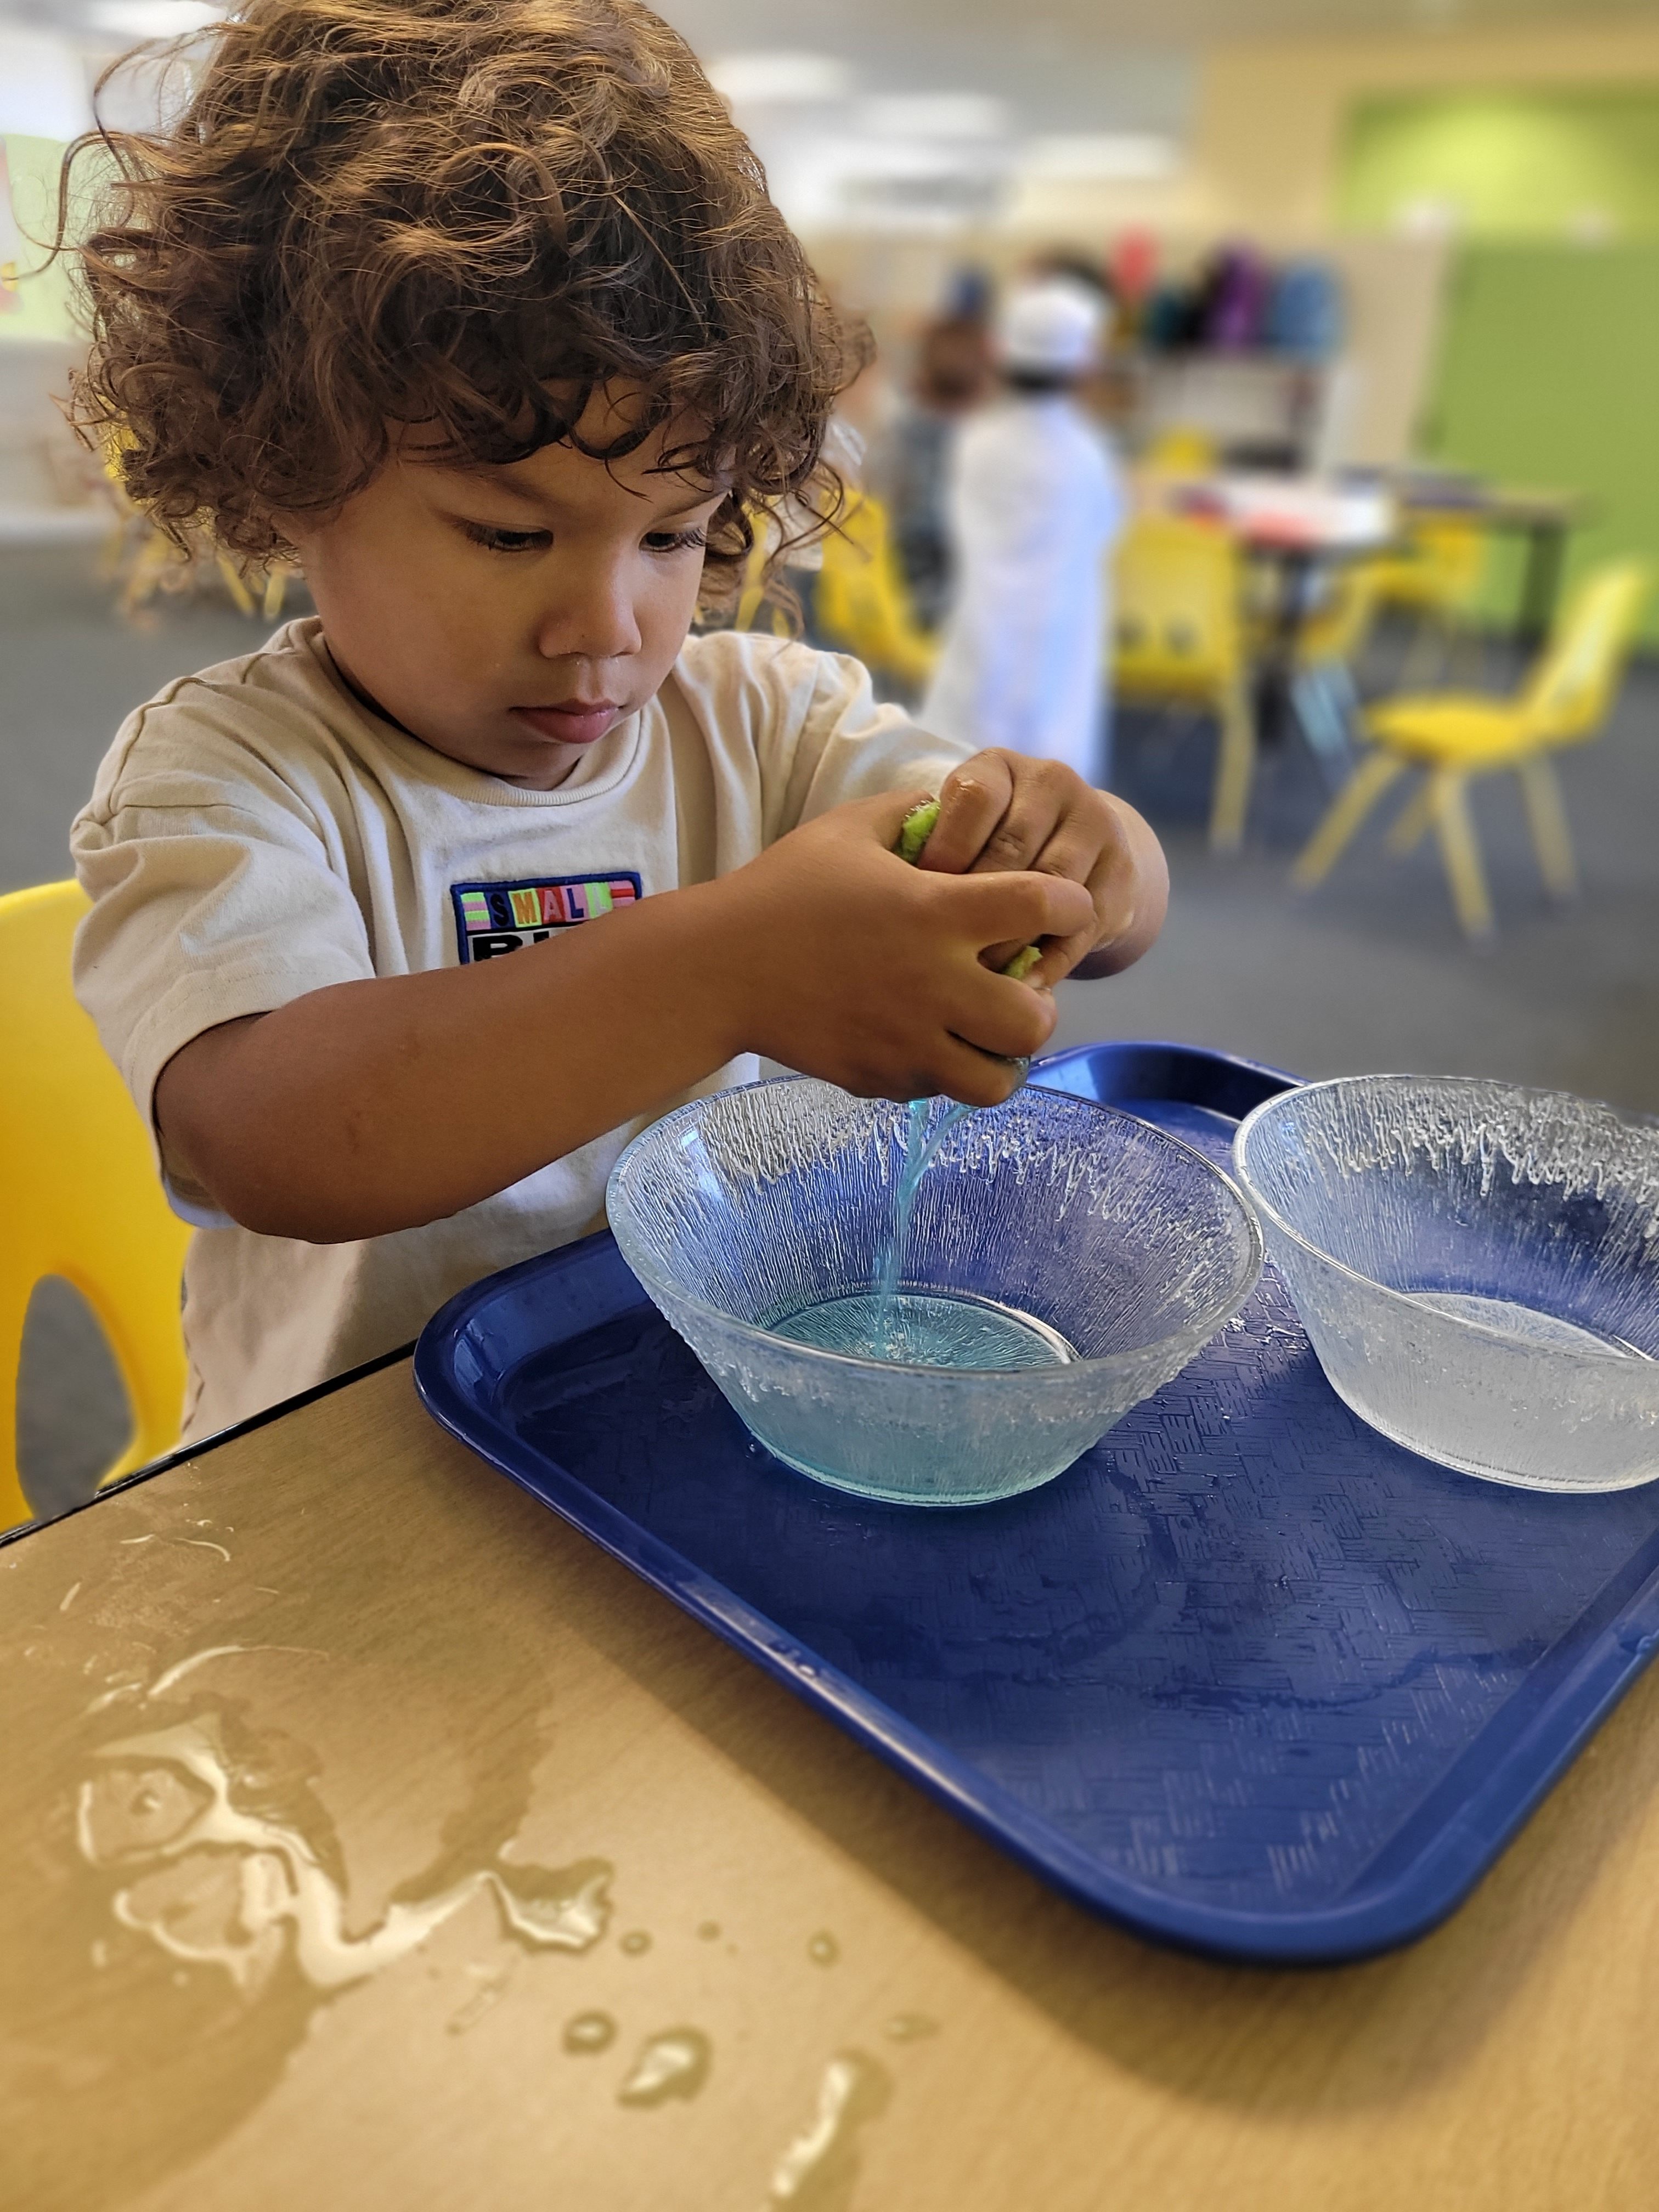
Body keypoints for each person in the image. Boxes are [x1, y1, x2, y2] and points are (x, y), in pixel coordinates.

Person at [64, 0, 1167, 1440]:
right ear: (287, 472)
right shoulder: (232, 775)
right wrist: (727, 971)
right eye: (510, 536)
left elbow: (1105, 902)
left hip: (685, 1426)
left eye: (672, 538)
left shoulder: (764, 722)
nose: (609, 628)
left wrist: (1087, 855)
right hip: (350, 1483)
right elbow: (278, 1140)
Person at [921, 278, 1127, 784]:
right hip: (1059, 642)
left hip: (979, 633)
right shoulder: (1087, 456)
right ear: (1084, 368)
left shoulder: (975, 443)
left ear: (999, 356)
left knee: (953, 777)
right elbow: (1107, 529)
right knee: (1048, 794)